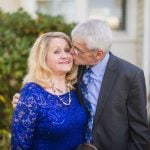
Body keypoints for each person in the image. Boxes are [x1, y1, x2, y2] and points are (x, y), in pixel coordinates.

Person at [12, 19, 150, 150]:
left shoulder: (131, 75)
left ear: (98, 54)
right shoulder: (74, 70)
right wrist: (26, 105)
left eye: (75, 50)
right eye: (72, 46)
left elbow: (140, 132)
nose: (71, 53)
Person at [11, 32, 87, 150]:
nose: (65, 56)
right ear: (43, 57)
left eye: (67, 50)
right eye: (56, 52)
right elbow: (19, 145)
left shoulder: (76, 87)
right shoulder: (31, 93)